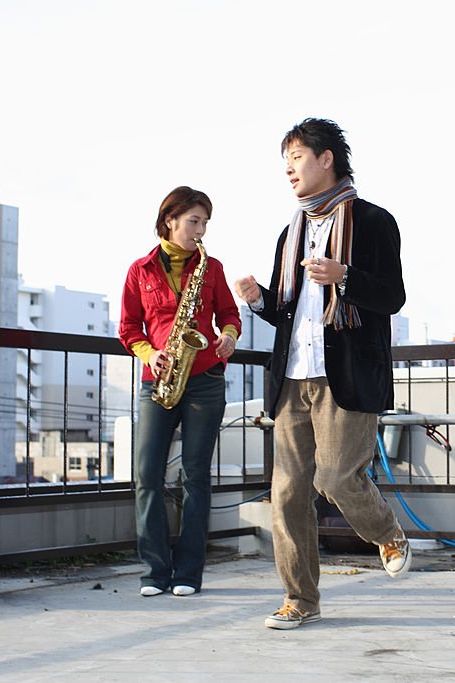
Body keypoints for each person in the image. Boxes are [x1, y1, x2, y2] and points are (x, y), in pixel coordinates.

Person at [234, 118, 410, 630]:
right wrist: (260, 300)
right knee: (287, 494)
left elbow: (392, 297)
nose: (288, 170)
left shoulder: (375, 222)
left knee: (336, 478)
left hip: (347, 375)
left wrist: (346, 277)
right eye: (284, 161)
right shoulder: (289, 233)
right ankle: (300, 600)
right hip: (293, 377)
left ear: (326, 158)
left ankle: (387, 532)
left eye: (296, 158)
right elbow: (288, 313)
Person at [119, 186, 241, 597]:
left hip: (205, 381)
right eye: (194, 221)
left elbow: (228, 314)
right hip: (158, 381)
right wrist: (150, 354)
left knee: (196, 477)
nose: (201, 230)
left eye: (205, 222)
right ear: (170, 219)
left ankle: (188, 573)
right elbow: (128, 328)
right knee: (146, 475)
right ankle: (154, 572)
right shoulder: (140, 269)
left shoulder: (212, 267)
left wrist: (227, 336)